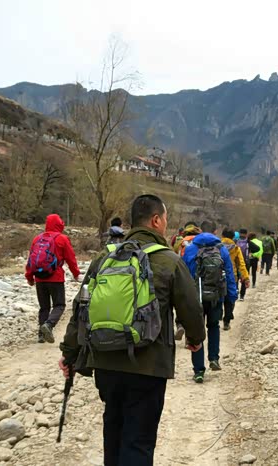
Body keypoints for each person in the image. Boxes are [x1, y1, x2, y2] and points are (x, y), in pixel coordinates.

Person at [59, 194, 206, 466]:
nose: (165, 224)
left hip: (106, 363)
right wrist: (195, 339)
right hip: (148, 367)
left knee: (113, 432)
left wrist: (69, 354)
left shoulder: (106, 257)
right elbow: (191, 309)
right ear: (156, 220)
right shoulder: (169, 260)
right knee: (138, 441)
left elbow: (81, 308)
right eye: (165, 219)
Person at [182, 220, 238, 383]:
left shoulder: (190, 249)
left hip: (196, 297)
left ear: (200, 231)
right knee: (213, 326)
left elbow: (184, 275)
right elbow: (229, 274)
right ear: (215, 232)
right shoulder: (221, 249)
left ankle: (199, 370)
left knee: (197, 331)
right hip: (216, 297)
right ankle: (214, 358)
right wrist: (231, 296)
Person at [25, 214, 81, 344]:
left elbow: (31, 259)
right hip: (56, 278)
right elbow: (70, 258)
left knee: (44, 307)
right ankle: (49, 325)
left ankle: (41, 335)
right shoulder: (62, 239)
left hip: (39, 278)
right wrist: (76, 273)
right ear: (59, 224)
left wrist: (29, 277)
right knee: (59, 305)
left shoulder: (37, 238)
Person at [220, 228, 250, 330]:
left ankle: (218, 315)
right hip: (232, 277)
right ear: (233, 237)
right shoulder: (236, 248)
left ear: (222, 236)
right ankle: (226, 321)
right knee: (230, 299)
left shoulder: (217, 246)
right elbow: (241, 264)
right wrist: (246, 278)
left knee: (218, 297)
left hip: (218, 276)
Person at [236, 229, 251, 301]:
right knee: (244, 279)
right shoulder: (248, 242)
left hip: (236, 263)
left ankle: (236, 291)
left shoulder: (236, 241)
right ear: (246, 234)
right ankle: (242, 295)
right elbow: (257, 248)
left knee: (236, 278)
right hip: (245, 263)